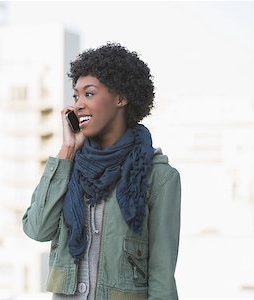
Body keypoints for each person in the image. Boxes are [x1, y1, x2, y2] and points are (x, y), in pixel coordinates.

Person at [22, 42, 181, 300]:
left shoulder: (159, 177)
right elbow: (37, 229)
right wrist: (67, 151)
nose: (78, 105)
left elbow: (162, 278)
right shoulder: (69, 166)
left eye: (90, 94)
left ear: (120, 98)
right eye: (76, 96)